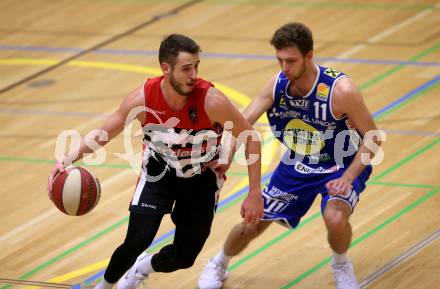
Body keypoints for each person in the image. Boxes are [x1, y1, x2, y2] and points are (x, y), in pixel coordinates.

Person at [47, 34, 264, 289]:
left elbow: (251, 137)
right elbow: (103, 133)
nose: (194, 74)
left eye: (196, 66)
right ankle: (104, 286)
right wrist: (67, 159)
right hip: (159, 172)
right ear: (165, 68)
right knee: (137, 238)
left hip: (201, 177)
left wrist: (254, 191)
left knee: (184, 258)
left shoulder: (211, 100)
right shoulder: (143, 99)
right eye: (186, 68)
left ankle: (142, 267)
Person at [198, 22, 382, 289]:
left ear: (309, 56)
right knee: (252, 224)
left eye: (291, 61)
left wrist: (349, 178)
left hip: (342, 164)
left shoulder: (340, 91)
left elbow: (373, 138)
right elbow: (244, 122)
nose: (285, 67)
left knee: (335, 216)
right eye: (280, 60)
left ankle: (341, 264)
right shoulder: (276, 85)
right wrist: (226, 156)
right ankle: (218, 263)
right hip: (298, 163)